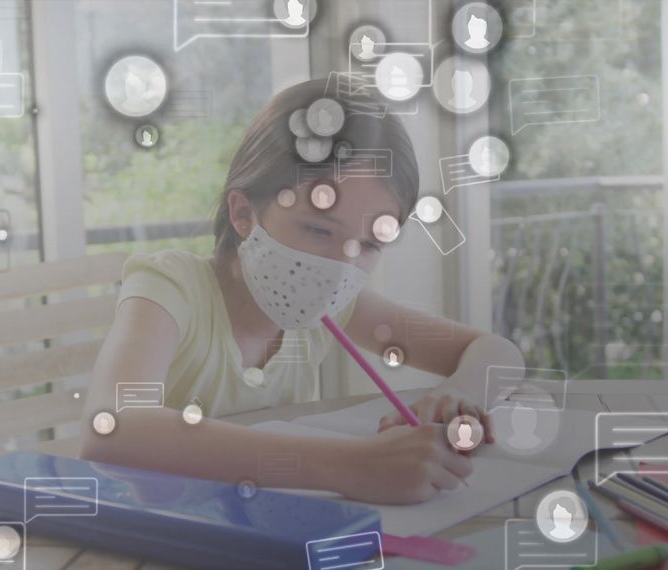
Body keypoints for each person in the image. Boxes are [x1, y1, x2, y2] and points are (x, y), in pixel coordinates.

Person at [80, 79, 523, 505]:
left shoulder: (338, 307)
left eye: (370, 244)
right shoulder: (170, 289)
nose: (339, 268)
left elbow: (497, 352)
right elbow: (112, 429)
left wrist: (461, 392)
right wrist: (350, 466)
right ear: (243, 213)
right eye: (317, 229)